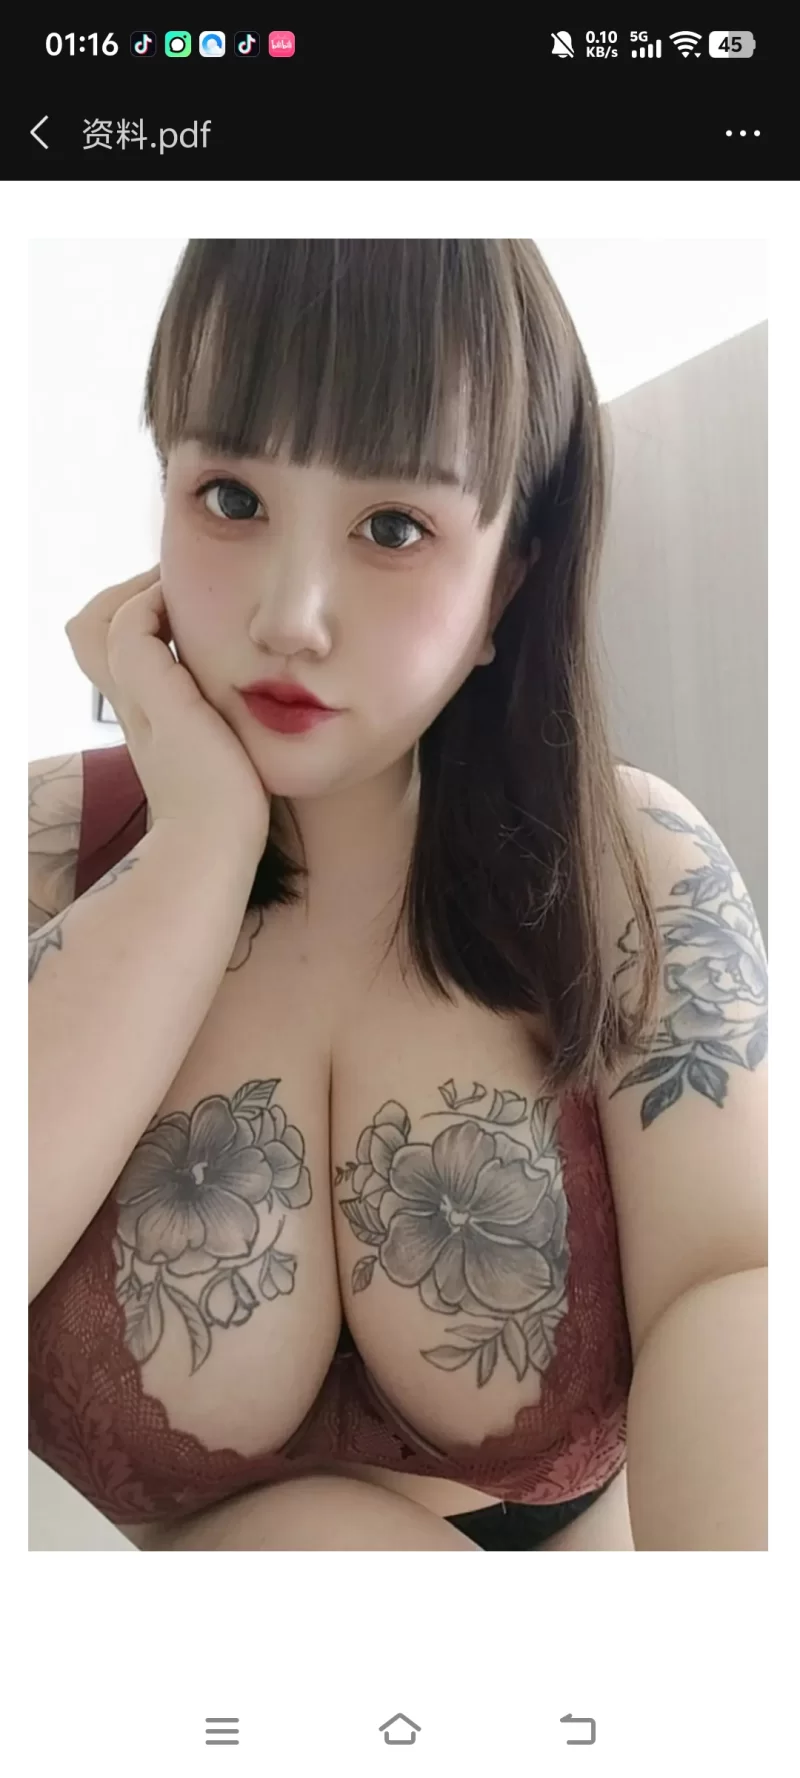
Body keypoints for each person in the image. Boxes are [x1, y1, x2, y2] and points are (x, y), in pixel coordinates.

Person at [28, 240, 767, 1552]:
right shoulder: (42, 855)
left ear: (507, 582)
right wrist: (197, 845)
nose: (291, 615)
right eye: (230, 497)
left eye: (392, 528)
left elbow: (740, 1287)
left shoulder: (633, 868)